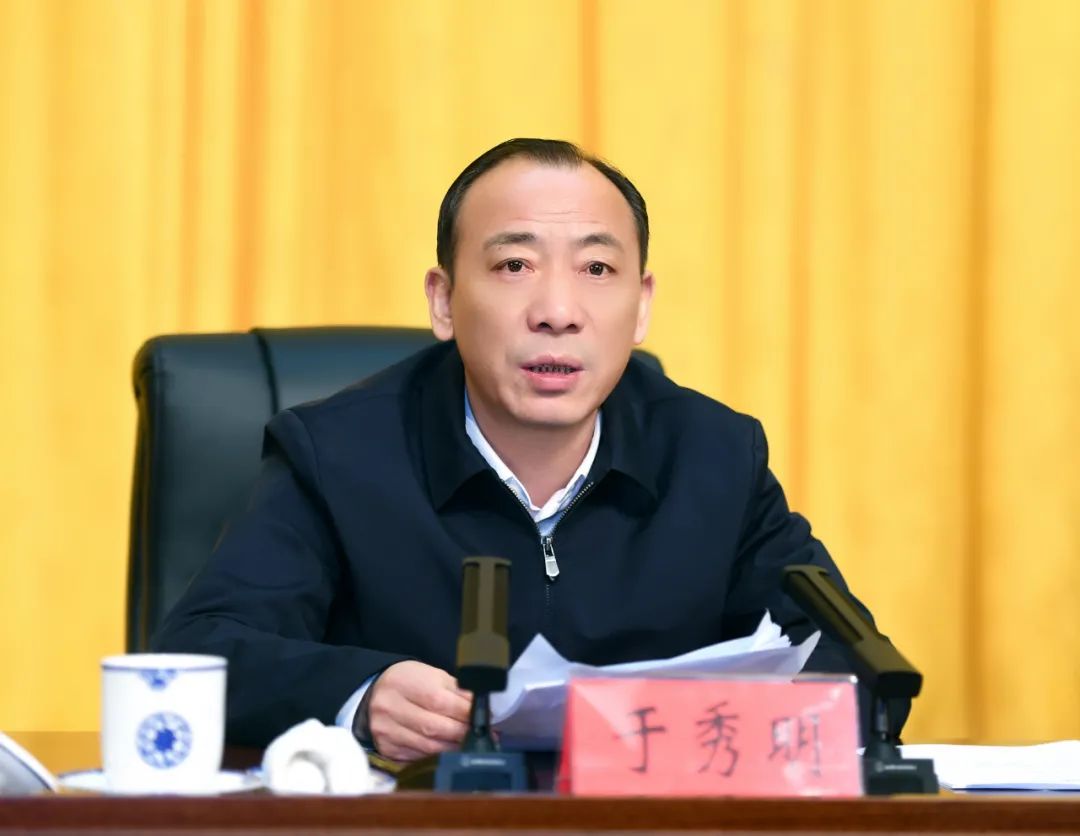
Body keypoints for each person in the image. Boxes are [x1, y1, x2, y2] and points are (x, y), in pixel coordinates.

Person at [154, 138, 905, 760]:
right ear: (444, 300)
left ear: (641, 305)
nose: (557, 311)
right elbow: (197, 654)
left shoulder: (715, 456)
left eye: (597, 269)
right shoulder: (337, 455)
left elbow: (856, 669)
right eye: (515, 265)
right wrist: (361, 695)